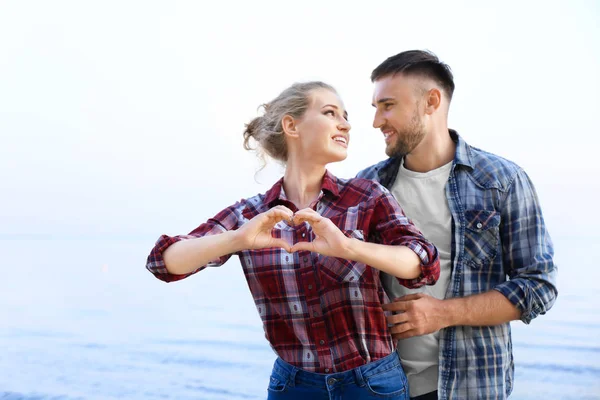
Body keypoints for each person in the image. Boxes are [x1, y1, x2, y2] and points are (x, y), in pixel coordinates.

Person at [145, 81, 440, 399]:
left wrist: (348, 246)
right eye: (330, 113)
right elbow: (163, 262)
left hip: (373, 384)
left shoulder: (367, 197)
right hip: (294, 387)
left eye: (346, 116)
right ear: (291, 125)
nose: (346, 124)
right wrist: (236, 240)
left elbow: (423, 262)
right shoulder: (251, 214)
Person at [357, 50, 558, 400]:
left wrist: (443, 314)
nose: (377, 121)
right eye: (375, 107)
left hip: (469, 386)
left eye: (387, 106)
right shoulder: (368, 187)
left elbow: (539, 287)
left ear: (431, 101)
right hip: (379, 385)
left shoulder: (501, 180)